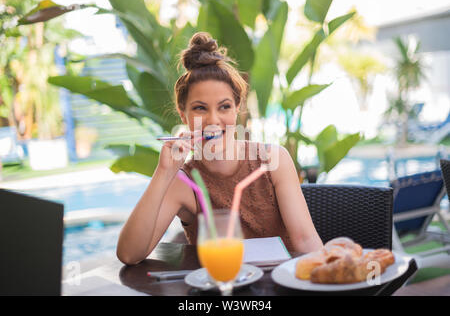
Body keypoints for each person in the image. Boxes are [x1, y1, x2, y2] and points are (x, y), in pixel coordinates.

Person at [116, 32, 323, 265]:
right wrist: (163, 173)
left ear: (237, 109)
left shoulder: (273, 160)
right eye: (200, 108)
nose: (213, 119)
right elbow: (129, 254)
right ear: (184, 115)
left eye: (224, 106)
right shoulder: (183, 182)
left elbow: (305, 242)